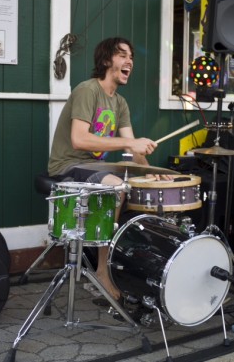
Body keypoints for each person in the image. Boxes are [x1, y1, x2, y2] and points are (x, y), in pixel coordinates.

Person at [48, 37, 171, 300]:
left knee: (139, 186)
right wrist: (129, 142)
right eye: (122, 55)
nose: (130, 62)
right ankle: (102, 270)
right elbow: (79, 139)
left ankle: (130, 264)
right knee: (116, 186)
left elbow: (134, 148)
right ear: (106, 60)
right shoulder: (87, 90)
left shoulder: (120, 103)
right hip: (68, 165)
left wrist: (150, 172)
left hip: (96, 168)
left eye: (132, 57)